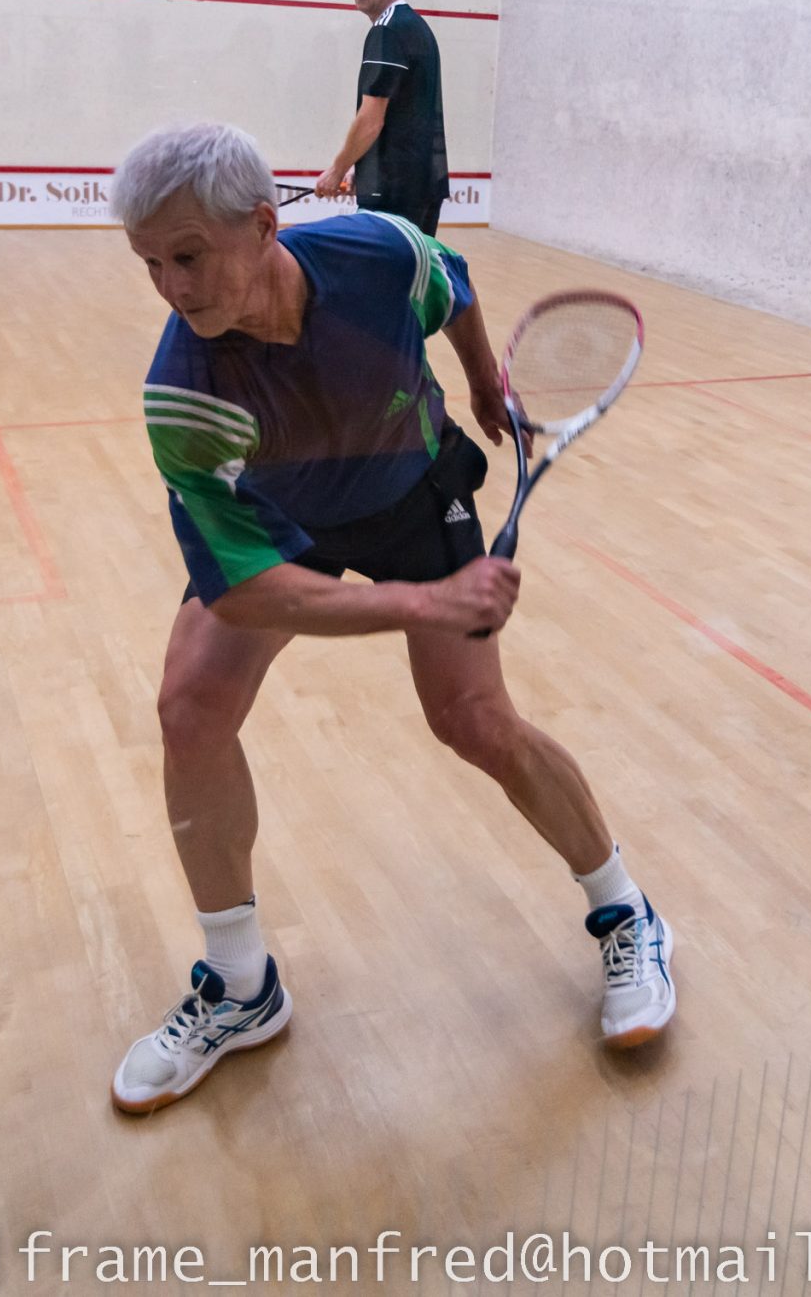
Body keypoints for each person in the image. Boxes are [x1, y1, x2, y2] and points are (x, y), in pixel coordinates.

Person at [111, 121, 676, 1114]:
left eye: (187, 256)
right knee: (190, 707)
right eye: (149, 263)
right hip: (287, 518)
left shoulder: (375, 254)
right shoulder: (186, 394)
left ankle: (626, 912)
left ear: (262, 226)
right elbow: (246, 590)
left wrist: (480, 379)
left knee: (473, 720)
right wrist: (422, 603)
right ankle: (241, 986)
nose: (170, 287)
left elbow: (450, 284)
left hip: (415, 494)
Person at [316, 0, 448, 234]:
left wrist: (336, 170)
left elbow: (371, 118)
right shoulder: (414, 25)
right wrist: (362, 168)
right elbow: (403, 115)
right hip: (419, 185)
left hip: (394, 191)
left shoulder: (387, 32)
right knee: (412, 266)